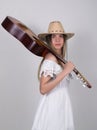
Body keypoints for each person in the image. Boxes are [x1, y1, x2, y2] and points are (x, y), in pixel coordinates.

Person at [31, 21, 75, 130]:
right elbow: (43, 89)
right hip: (53, 107)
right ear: (49, 40)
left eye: (60, 36)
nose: (57, 40)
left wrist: (65, 68)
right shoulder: (51, 58)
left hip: (61, 105)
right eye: (53, 36)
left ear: (64, 40)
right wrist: (65, 71)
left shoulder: (60, 59)